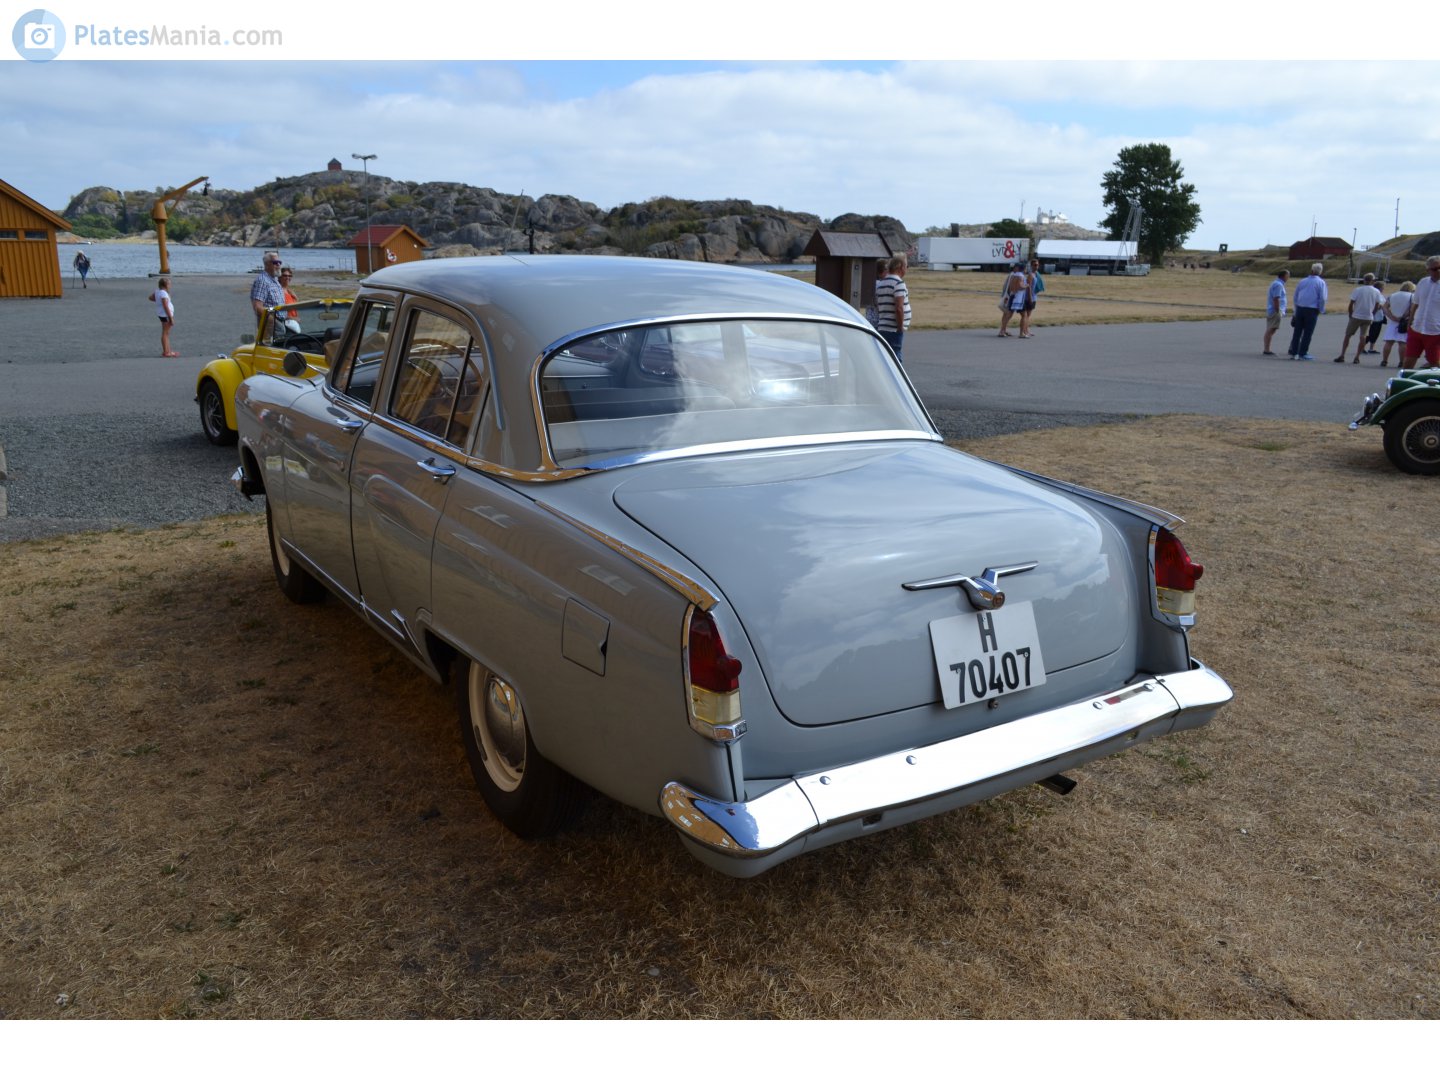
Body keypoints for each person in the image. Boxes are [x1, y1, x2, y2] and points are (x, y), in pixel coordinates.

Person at [1333, 272, 1382, 364]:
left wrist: (1351, 313)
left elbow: (1351, 303)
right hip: (1368, 316)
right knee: (1363, 336)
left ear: (1364, 280)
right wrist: (1373, 313)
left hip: (1357, 315)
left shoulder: (1358, 290)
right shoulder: (1376, 291)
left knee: (1348, 335)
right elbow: (1377, 304)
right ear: (1372, 281)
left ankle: (1342, 354)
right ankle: (1357, 356)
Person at [1403, 256, 1440, 369]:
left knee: (1435, 364)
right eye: (1435, 269)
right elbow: (1416, 303)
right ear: (1428, 270)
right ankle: (1404, 384)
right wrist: (1410, 321)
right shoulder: (1423, 282)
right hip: (1417, 328)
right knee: (1408, 362)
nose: (1438, 271)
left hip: (1435, 331)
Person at [873, 255, 911, 360]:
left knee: (885, 357)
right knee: (896, 358)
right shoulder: (898, 283)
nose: (906, 270)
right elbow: (899, 308)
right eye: (906, 266)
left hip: (882, 327)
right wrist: (900, 328)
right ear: (901, 267)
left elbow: (878, 305)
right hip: (893, 329)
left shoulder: (881, 284)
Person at [1287, 263, 1327, 360]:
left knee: (1297, 331)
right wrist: (1321, 309)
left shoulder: (1303, 281)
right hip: (1312, 309)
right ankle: (1303, 352)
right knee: (1308, 332)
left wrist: (1295, 309)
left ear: (1311, 270)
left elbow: (1296, 295)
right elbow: (1322, 298)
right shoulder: (1321, 283)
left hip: (1300, 308)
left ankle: (1294, 351)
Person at [250, 252, 286, 341]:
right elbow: (257, 306)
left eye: (279, 262)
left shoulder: (274, 280)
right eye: (275, 262)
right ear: (267, 264)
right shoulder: (263, 281)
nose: (278, 265)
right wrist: (271, 319)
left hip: (281, 321)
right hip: (271, 324)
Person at [1380, 281, 1415, 368]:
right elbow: (1412, 309)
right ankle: (1401, 362)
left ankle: (1384, 360)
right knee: (1402, 342)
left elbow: (1384, 307)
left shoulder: (1393, 295)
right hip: (1404, 322)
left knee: (1388, 342)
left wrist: (1391, 316)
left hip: (1393, 321)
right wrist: (1404, 316)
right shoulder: (1412, 296)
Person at [1263, 269, 1289, 356]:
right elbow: (1276, 298)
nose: (1288, 278)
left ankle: (1267, 348)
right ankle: (1267, 349)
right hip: (1275, 310)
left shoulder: (1277, 283)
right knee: (1271, 329)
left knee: (1272, 329)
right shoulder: (1278, 285)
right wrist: (1277, 310)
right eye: (1287, 276)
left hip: (1274, 309)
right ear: (1284, 276)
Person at [150, 277, 178, 357]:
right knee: (165, 333)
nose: (170, 285)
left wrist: (158, 301)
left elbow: (151, 297)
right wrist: (171, 318)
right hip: (165, 315)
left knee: (166, 333)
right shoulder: (163, 293)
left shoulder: (158, 292)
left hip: (162, 314)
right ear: (165, 285)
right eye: (169, 284)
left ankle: (168, 351)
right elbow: (165, 306)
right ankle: (166, 352)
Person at [998, 263, 1027, 337]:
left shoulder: (1013, 275)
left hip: (1012, 296)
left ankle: (1002, 330)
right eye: (1026, 268)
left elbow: (1010, 287)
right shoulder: (1020, 276)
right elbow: (1020, 286)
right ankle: (1022, 333)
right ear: (1023, 269)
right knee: (1024, 315)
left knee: (1008, 314)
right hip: (1018, 298)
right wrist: (1026, 286)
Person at [1365, 281, 1386, 355]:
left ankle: (1371, 348)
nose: (1383, 289)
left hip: (1379, 317)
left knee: (1376, 333)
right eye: (1382, 287)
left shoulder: (1381, 295)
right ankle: (1363, 346)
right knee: (1371, 333)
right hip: (1375, 317)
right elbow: (1378, 305)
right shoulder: (1376, 295)